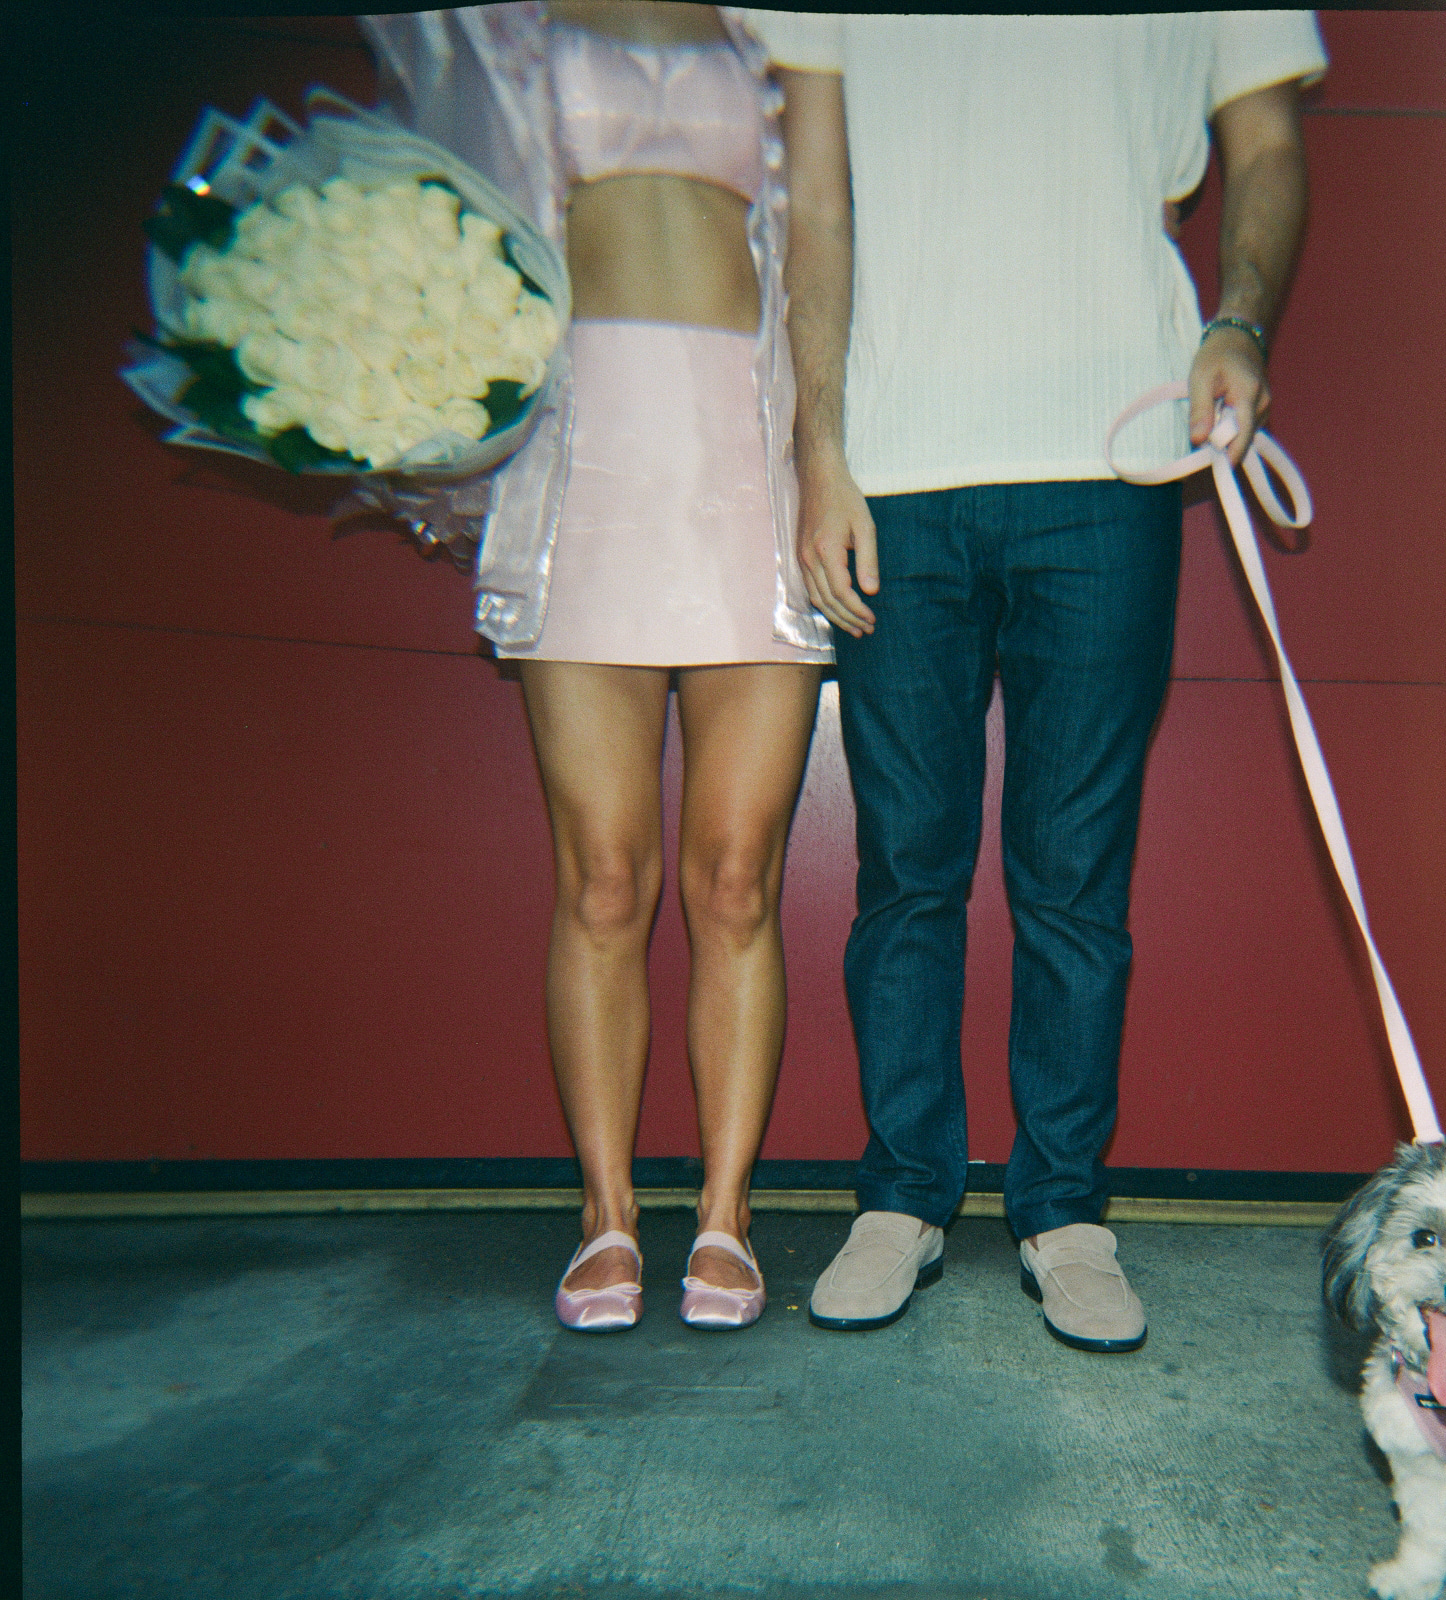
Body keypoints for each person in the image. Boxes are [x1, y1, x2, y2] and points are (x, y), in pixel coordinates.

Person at [743, 11, 1324, 1351]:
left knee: (1073, 875)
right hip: (899, 467)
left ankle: (1063, 1211)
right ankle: (904, 1196)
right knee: (908, 866)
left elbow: (1267, 144)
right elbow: (814, 202)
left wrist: (1239, 321)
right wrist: (817, 448)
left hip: (1110, 462)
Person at [364, 3, 833, 1331]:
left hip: (750, 454)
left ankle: (727, 1213)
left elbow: (827, 232)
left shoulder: (782, 22)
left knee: (735, 875)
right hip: (590, 462)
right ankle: (607, 1212)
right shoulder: (502, 21)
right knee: (606, 873)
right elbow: (440, 220)